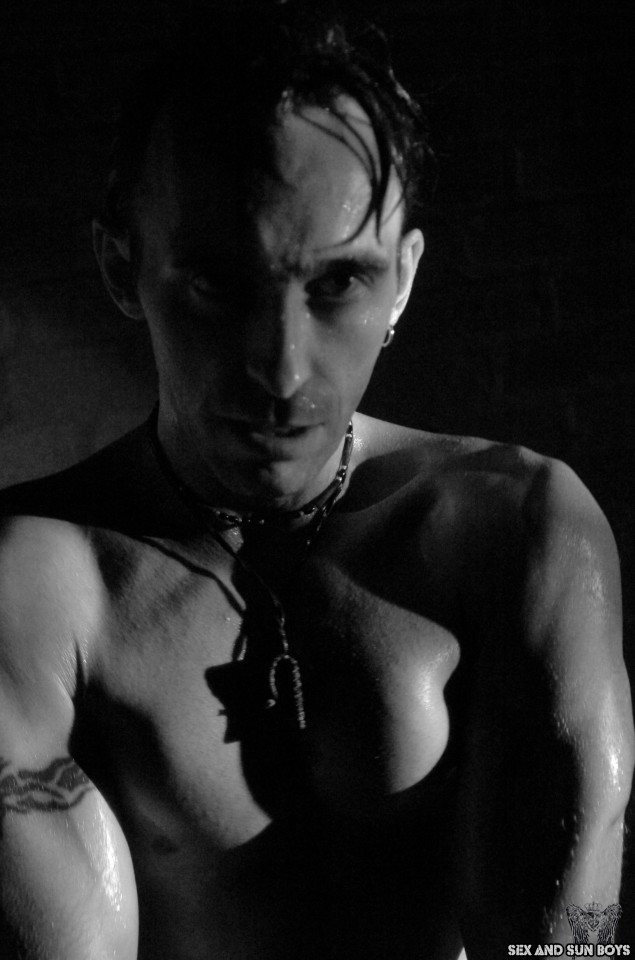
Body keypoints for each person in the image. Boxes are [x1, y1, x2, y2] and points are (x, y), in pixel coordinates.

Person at [0, 5, 632, 958]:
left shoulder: (516, 529)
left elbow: (566, 945)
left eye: (338, 284)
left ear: (402, 281)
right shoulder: (33, 587)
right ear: (123, 268)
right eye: (219, 283)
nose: (283, 369)